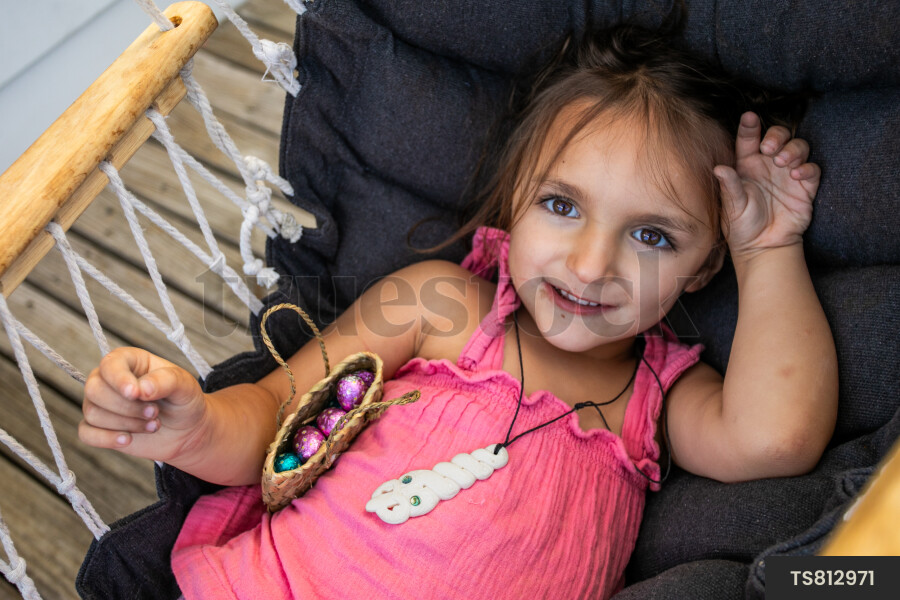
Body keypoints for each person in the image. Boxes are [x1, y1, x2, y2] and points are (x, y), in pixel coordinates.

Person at [78, 25, 838, 599]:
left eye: (651, 236)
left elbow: (776, 439)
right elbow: (277, 417)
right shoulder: (440, 306)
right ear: (514, 202)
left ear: (706, 264)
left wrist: (767, 252)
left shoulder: (654, 403)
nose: (590, 264)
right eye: (562, 205)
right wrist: (198, 427)